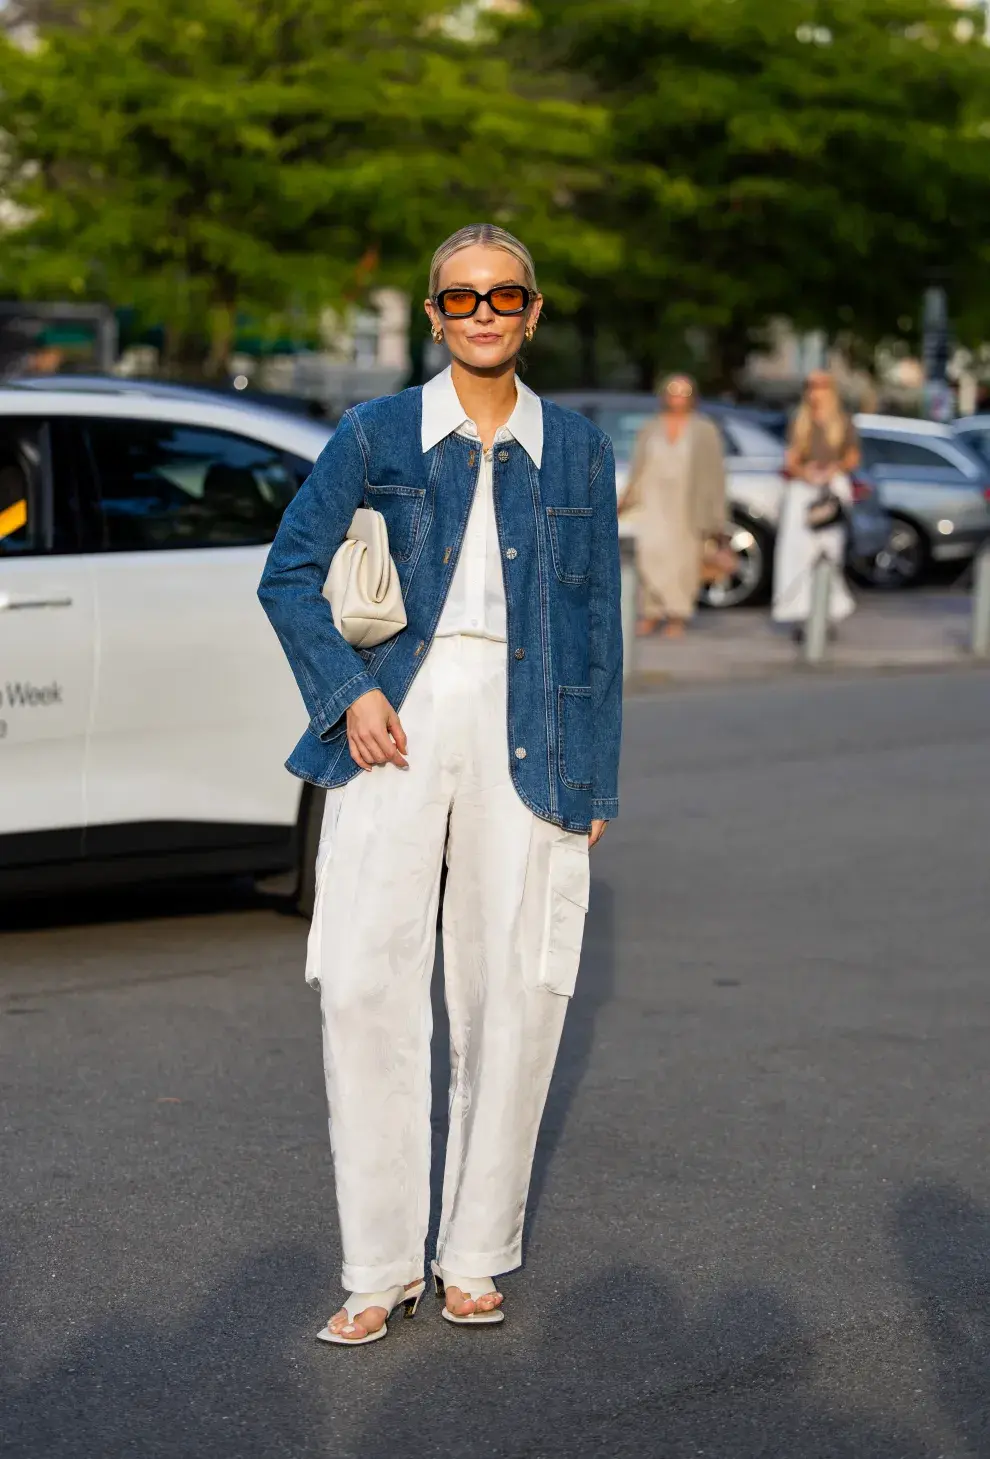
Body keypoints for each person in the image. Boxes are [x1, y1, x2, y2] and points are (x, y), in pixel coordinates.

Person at [258, 223, 622, 1346]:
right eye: (460, 300)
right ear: (432, 316)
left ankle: (473, 1254)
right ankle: (378, 1266)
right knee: (365, 981)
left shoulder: (576, 450)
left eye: (502, 297)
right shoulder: (377, 433)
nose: (481, 314)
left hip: (531, 726)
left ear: (534, 310)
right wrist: (348, 694)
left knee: (514, 991)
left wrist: (594, 773)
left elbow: (597, 623)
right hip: (397, 719)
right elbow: (290, 575)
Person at [618, 373, 727, 639]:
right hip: (652, 501)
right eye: (672, 391)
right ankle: (651, 611)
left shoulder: (704, 429)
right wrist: (625, 499)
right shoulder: (650, 427)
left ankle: (678, 614)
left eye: (684, 392)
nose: (677, 397)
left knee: (683, 560)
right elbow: (638, 467)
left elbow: (715, 474)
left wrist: (717, 515)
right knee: (648, 554)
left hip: (687, 503)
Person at [772, 370, 859, 636]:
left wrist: (833, 470)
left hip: (832, 490)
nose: (815, 392)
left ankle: (828, 613)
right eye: (811, 386)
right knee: (798, 553)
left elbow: (853, 457)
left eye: (821, 386)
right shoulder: (799, 421)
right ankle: (800, 613)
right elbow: (791, 459)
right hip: (804, 489)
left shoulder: (843, 422)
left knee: (829, 552)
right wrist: (806, 473)